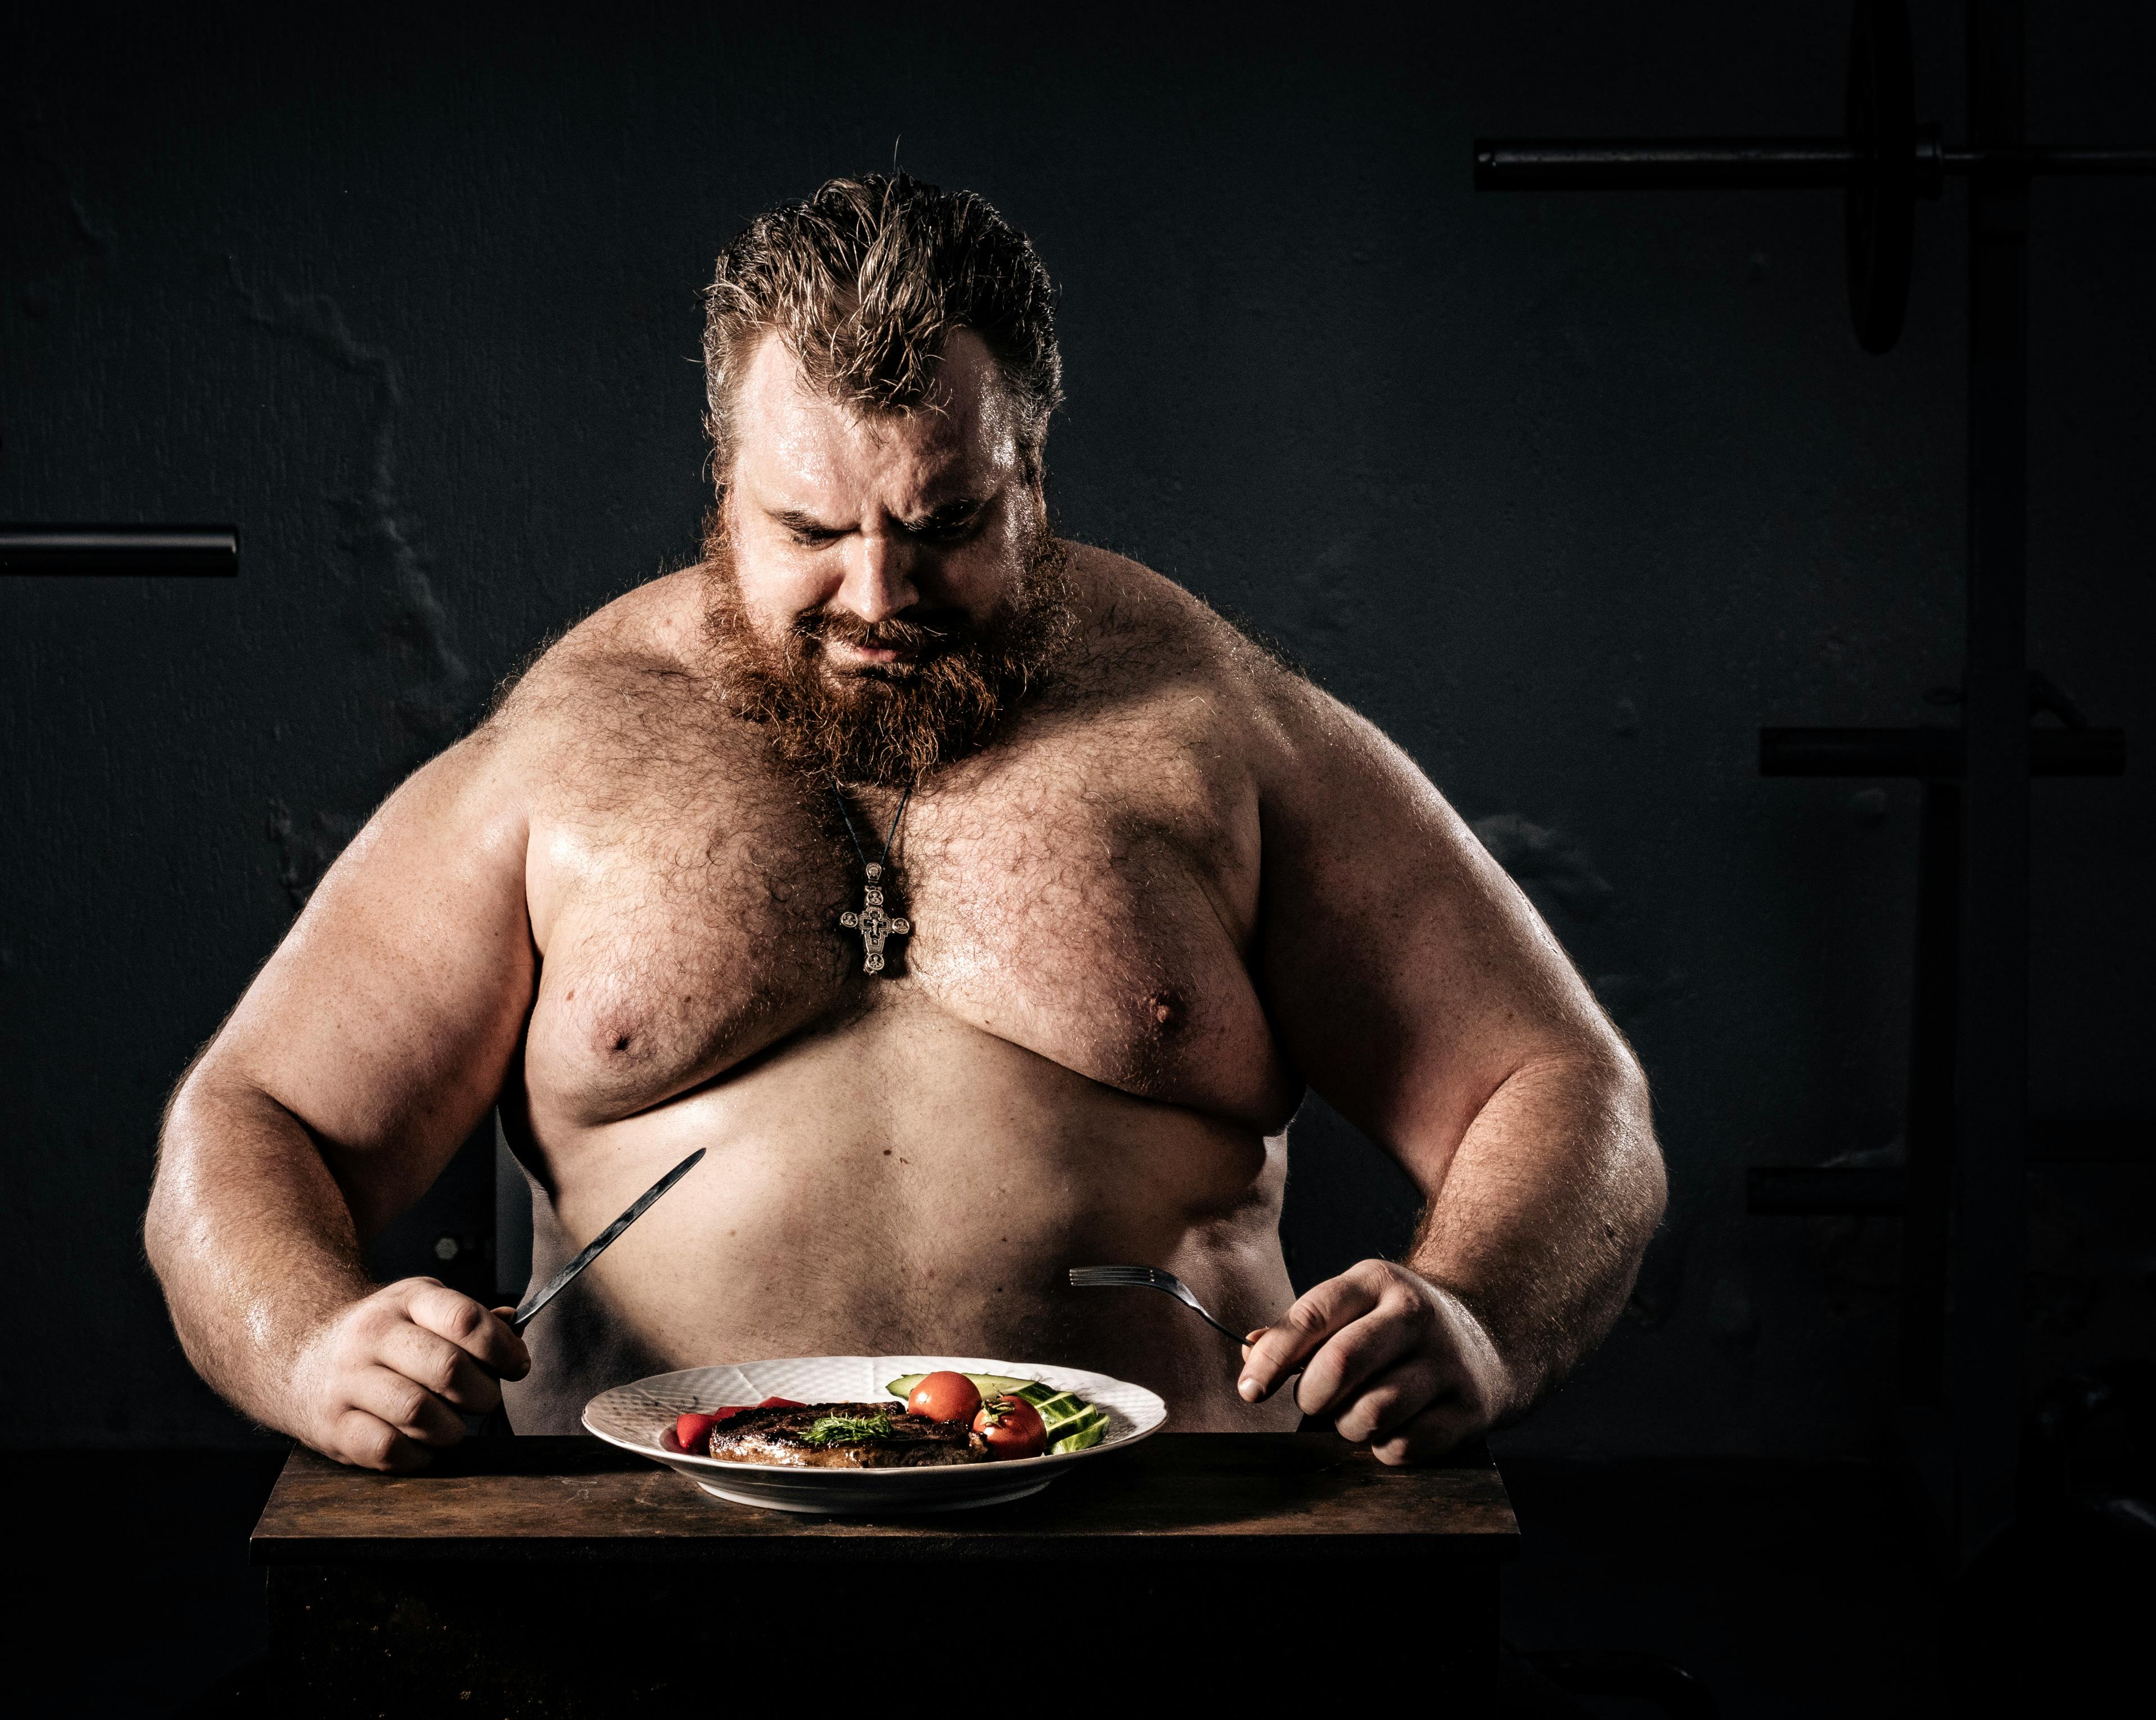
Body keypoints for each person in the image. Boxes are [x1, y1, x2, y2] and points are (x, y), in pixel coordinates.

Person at [145, 173, 1666, 1471]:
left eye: (945, 528)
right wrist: (312, 1348)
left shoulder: (1220, 730)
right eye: (810, 532)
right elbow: (245, 1125)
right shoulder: (564, 753)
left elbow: (1564, 1089)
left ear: (1030, 476)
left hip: (1164, 1567)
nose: (880, 599)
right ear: (724, 485)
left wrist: (1471, 1314)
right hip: (636, 1569)